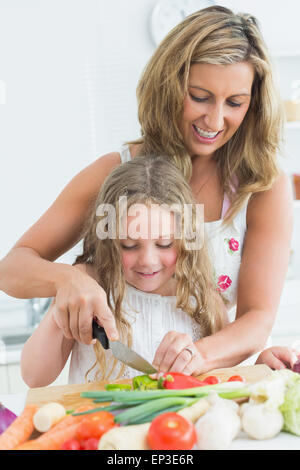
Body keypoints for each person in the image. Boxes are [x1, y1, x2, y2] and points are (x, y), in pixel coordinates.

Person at [0, 6, 293, 377]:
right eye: (200, 96)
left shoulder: (263, 186)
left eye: (235, 102)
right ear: (170, 86)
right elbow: (11, 268)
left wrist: (196, 356)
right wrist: (70, 279)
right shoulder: (117, 173)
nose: (215, 120)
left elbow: (257, 318)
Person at [21, 155, 228, 386]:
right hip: (99, 421)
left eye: (164, 244)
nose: (148, 261)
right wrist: (62, 306)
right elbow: (34, 376)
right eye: (129, 245)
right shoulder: (87, 285)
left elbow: (227, 376)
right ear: (108, 240)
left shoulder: (201, 297)